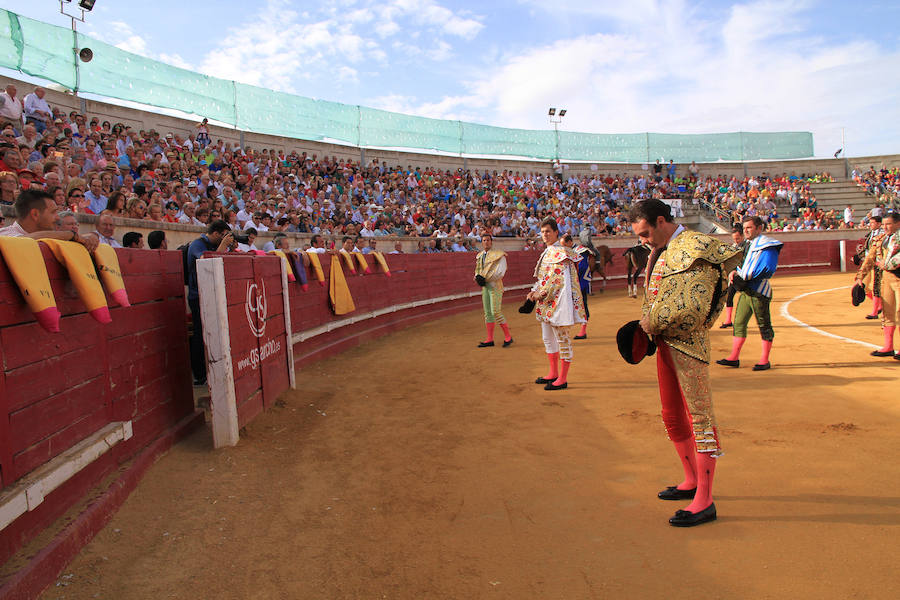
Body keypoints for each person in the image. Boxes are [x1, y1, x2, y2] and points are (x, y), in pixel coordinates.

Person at [630, 199, 742, 527]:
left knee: (700, 418)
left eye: (646, 232)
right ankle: (691, 479)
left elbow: (694, 306)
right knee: (671, 413)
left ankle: (705, 500)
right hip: (663, 342)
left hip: (688, 343)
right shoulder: (661, 249)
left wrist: (651, 323)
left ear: (662, 220)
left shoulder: (696, 247)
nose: (644, 240)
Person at [716, 216, 783, 371]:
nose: (746, 231)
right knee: (739, 323)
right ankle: (734, 357)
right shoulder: (746, 245)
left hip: (759, 291)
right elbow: (739, 263)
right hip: (746, 291)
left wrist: (743, 276)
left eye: (749, 228)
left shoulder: (767, 245)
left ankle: (765, 360)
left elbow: (767, 268)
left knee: (764, 325)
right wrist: (734, 272)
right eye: (744, 228)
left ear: (759, 228)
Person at [527, 217, 586, 390]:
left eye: (548, 232)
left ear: (555, 233)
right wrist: (534, 290)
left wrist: (540, 293)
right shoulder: (548, 252)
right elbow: (543, 278)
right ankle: (553, 373)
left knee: (562, 340)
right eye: (542, 232)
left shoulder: (561, 252)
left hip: (559, 302)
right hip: (546, 302)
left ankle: (563, 378)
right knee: (548, 338)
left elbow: (557, 281)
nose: (545, 235)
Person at [187, 220, 236, 385]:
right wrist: (222, 245)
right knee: (201, 334)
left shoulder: (210, 245)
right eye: (223, 236)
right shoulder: (197, 244)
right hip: (198, 295)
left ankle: (212, 371)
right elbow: (207, 262)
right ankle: (200, 375)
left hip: (213, 294)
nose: (225, 239)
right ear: (216, 233)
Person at [855, 211, 900, 359]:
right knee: (888, 313)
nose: (886, 227)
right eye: (885, 224)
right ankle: (888, 346)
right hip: (886, 279)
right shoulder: (880, 239)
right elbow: (869, 258)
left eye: (889, 224)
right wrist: (860, 277)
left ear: (898, 224)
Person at [0, 189, 99, 252]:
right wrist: (71, 235)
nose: (57, 217)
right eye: (53, 212)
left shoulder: (48, 236)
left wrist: (88, 237)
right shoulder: (5, 233)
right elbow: (23, 240)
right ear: (35, 214)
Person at [474, 233, 513, 348]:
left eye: (488, 240)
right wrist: (477, 277)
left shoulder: (499, 255)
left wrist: (485, 278)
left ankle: (508, 337)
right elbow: (477, 269)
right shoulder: (480, 256)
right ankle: (490, 339)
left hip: (495, 285)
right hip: (485, 287)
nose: (486, 242)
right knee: (488, 313)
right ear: (482, 242)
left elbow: (501, 272)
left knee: (496, 311)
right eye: (484, 240)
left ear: (491, 242)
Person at [719, 224, 750, 328]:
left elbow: (745, 261)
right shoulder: (734, 247)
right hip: (735, 276)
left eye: (737, 238)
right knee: (729, 296)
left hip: (745, 276)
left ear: (742, 236)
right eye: (734, 239)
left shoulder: (747, 246)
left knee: (750, 297)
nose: (736, 240)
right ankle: (728, 320)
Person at [855, 216, 884, 320]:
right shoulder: (871, 234)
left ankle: (875, 312)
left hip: (879, 264)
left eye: (872, 222)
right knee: (863, 286)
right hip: (870, 263)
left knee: (877, 287)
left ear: (879, 224)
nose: (870, 224)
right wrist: (859, 256)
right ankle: (880, 305)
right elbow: (868, 249)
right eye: (870, 222)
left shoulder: (883, 235)